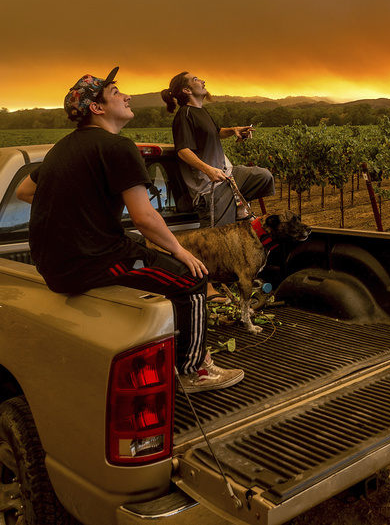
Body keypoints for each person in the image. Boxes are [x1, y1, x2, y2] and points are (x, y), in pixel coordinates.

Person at [15, 67, 243, 390]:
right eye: (116, 93)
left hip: (54, 269)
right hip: (95, 263)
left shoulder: (60, 150)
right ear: (98, 108)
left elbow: (23, 191)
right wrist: (181, 251)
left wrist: (78, 205)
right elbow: (143, 217)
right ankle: (194, 370)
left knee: (138, 247)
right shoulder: (118, 148)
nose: (127, 96)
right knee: (194, 278)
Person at [161, 71, 274, 228]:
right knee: (219, 238)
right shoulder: (184, 115)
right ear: (187, 90)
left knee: (263, 177)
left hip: (227, 176)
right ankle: (233, 207)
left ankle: (236, 206)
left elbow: (216, 131)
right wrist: (209, 170)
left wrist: (234, 130)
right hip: (210, 188)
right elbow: (183, 150)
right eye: (195, 80)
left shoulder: (202, 111)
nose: (203, 81)